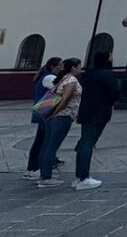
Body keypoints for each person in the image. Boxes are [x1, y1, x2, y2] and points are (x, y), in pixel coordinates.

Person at [73, 51, 120, 191]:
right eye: (110, 55)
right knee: (88, 143)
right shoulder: (107, 75)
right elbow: (115, 93)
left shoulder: (88, 74)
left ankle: (79, 176)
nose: (112, 58)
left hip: (86, 111)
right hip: (98, 112)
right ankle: (84, 178)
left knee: (84, 142)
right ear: (106, 59)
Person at [37, 58, 82, 188]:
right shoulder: (71, 80)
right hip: (62, 115)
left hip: (53, 116)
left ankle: (44, 173)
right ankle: (47, 176)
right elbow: (64, 99)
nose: (80, 69)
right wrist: (54, 113)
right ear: (73, 68)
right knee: (52, 146)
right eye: (79, 66)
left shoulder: (61, 79)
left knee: (47, 144)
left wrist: (49, 114)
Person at [24, 57, 62, 180]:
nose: (61, 68)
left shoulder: (46, 76)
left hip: (43, 112)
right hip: (45, 113)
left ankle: (33, 167)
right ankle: (35, 167)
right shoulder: (49, 78)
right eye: (60, 65)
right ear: (53, 66)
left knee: (40, 141)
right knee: (42, 142)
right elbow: (60, 91)